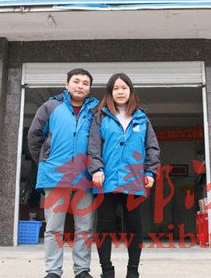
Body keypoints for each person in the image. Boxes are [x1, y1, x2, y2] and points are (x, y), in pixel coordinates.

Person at [28, 68, 99, 278]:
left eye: (85, 83)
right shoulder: (50, 106)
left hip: (85, 177)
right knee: (53, 228)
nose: (80, 86)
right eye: (76, 81)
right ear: (66, 85)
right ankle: (53, 271)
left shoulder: (96, 110)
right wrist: (45, 161)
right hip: (55, 176)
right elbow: (34, 135)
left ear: (89, 88)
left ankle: (82, 270)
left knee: (85, 228)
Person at [88, 73, 160, 278]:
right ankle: (107, 271)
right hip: (106, 181)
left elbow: (152, 147)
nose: (120, 92)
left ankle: (133, 271)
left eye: (124, 88)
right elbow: (93, 147)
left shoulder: (142, 118)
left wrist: (150, 171)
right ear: (110, 92)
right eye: (116, 88)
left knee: (134, 227)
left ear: (130, 91)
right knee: (104, 226)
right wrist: (96, 169)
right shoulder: (100, 117)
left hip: (134, 181)